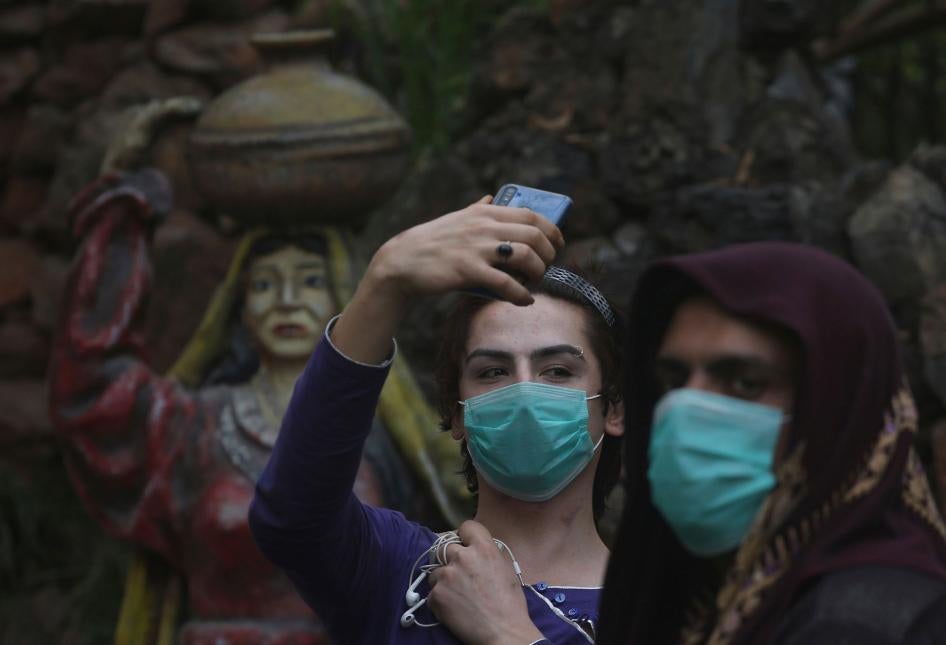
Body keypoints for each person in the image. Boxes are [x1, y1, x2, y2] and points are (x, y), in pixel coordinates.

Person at [48, 102, 466, 643]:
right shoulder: (189, 428)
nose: (286, 301)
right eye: (266, 285)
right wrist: (122, 209)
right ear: (237, 305)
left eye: (309, 282)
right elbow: (88, 385)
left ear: (346, 295)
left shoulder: (397, 438)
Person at [249, 197, 626, 643]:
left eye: (558, 371)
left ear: (615, 409)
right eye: (493, 372)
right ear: (457, 414)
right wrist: (385, 281)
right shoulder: (397, 573)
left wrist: (507, 632)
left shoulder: (671, 608)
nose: (524, 392)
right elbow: (292, 515)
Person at [595, 242, 946, 644]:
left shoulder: (868, 621)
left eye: (745, 383)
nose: (688, 410)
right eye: (674, 382)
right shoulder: (693, 599)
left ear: (838, 414)